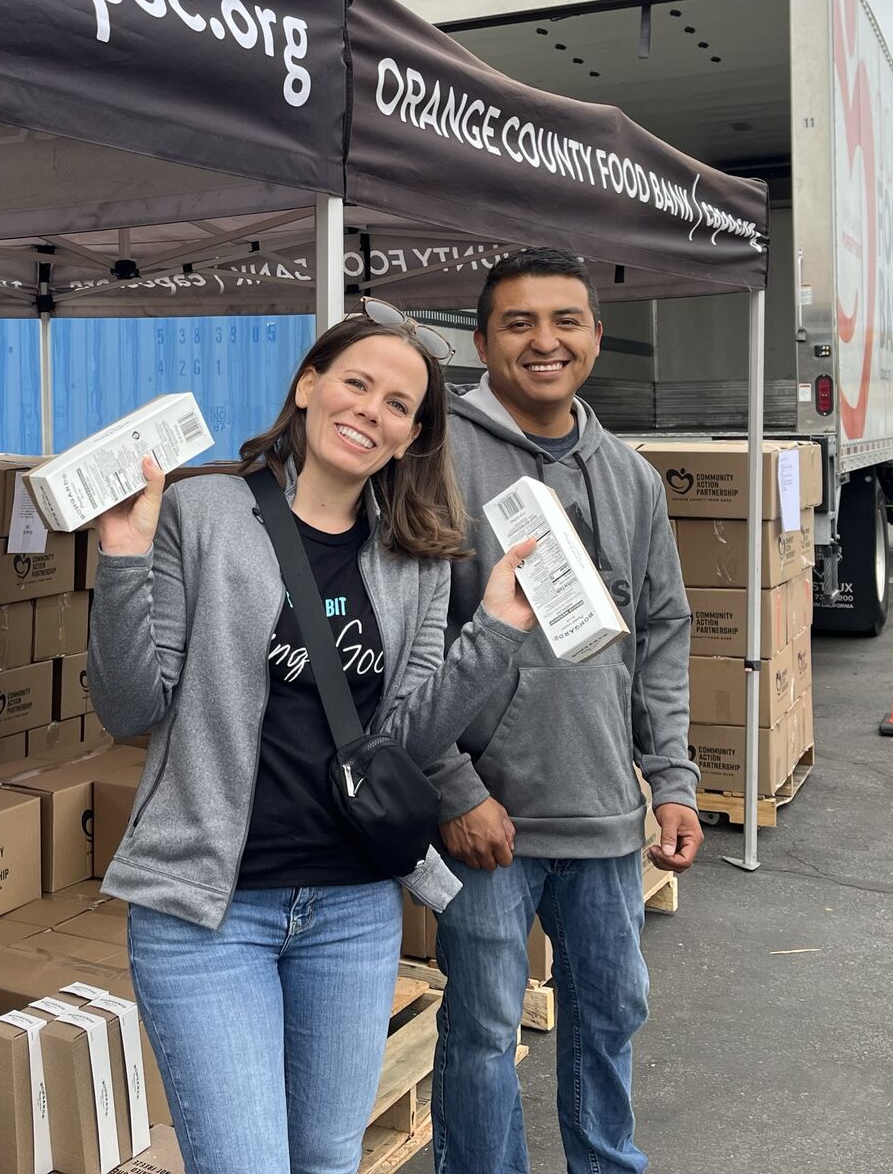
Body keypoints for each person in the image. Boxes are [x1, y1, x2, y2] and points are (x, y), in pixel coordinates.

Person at [89, 302, 540, 1174]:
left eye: (399, 404)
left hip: (352, 908)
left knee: (327, 1161)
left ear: (411, 437)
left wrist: (492, 635)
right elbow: (127, 705)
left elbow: (406, 738)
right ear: (308, 388)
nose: (372, 409)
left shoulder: (414, 561)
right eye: (356, 384)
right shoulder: (205, 513)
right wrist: (122, 558)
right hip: (210, 912)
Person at [429, 248, 703, 1174]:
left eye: (566, 322)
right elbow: (408, 649)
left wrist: (671, 779)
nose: (545, 342)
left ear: (593, 337)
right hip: (486, 821)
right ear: (481, 341)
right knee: (480, 1031)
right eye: (519, 324)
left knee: (610, 1012)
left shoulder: (630, 476)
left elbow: (661, 633)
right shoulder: (437, 464)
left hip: (603, 813)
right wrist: (454, 787)